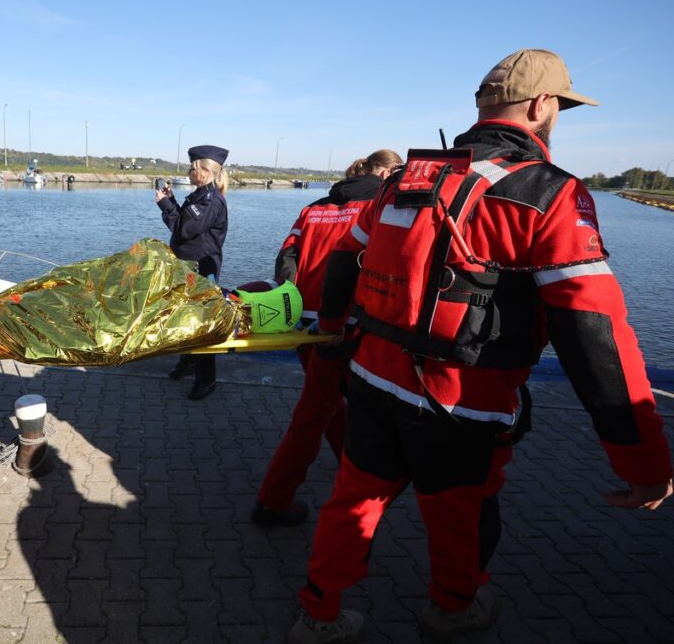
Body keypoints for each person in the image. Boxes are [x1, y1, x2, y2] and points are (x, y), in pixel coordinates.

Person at [287, 49, 673, 643]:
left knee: (354, 500)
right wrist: (644, 464)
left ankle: (319, 612)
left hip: (370, 375)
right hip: (461, 400)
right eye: (560, 108)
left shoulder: (407, 180)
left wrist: (334, 332)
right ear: (544, 106)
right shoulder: (551, 194)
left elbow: (343, 261)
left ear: (483, 106)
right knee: (459, 515)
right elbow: (595, 335)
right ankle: (452, 609)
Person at [252, 149, 402, 527]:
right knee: (313, 413)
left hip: (304, 323)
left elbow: (286, 257)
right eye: (398, 172)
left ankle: (345, 465)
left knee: (326, 400)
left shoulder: (314, 207)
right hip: (345, 327)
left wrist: (296, 308)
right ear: (384, 172)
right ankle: (274, 500)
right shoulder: (380, 207)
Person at [155, 145, 230, 400]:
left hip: (201, 271)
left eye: (192, 168)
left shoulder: (211, 201)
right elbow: (181, 226)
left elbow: (183, 230)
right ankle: (188, 362)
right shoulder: (199, 196)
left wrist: (166, 204)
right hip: (188, 269)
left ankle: (206, 379)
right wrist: (171, 202)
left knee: (202, 324)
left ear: (206, 171)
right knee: (185, 319)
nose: (189, 171)